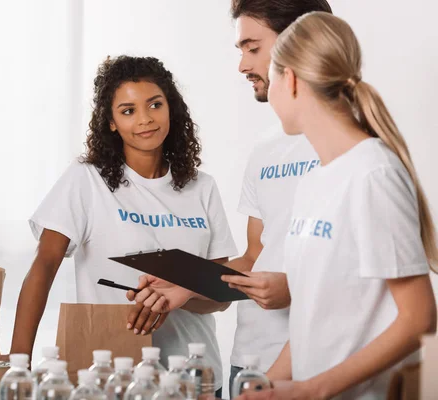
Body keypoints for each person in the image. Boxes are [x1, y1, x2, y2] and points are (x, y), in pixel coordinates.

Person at [128, 2, 334, 397]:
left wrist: (297, 288)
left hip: (317, 361)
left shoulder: (353, 147)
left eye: (252, 48)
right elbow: (254, 259)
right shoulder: (267, 148)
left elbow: (364, 275)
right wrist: (185, 285)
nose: (242, 65)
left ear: (301, 41)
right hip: (249, 359)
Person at [5, 55, 237, 398]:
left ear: (170, 108)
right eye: (128, 110)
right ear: (111, 122)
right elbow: (44, 265)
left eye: (154, 105)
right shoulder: (86, 180)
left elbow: (221, 296)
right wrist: (18, 362)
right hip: (111, 379)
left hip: (195, 378)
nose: (144, 119)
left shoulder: (202, 187)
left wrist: (175, 294)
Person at [237, 11, 437, 399]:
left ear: (290, 80)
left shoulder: (373, 174)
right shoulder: (315, 181)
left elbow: (418, 319)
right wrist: (264, 386)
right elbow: (315, 315)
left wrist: (312, 390)